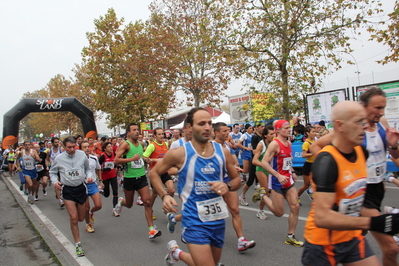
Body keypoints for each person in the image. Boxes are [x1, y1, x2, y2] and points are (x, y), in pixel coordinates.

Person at [301, 100, 399, 266]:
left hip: (352, 237)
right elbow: (322, 218)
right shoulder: (327, 162)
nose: (364, 127)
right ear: (340, 125)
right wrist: (374, 222)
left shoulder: (361, 152)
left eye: (365, 122)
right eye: (358, 122)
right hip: (323, 243)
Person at [149, 107, 241, 266]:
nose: (207, 127)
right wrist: (164, 195)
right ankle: (176, 252)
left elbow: (237, 180)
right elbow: (154, 173)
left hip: (217, 219)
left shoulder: (222, 152)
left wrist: (227, 186)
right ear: (189, 127)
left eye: (209, 123)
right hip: (193, 220)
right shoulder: (179, 153)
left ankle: (176, 253)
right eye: (201, 123)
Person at [252, 120, 304, 247]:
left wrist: (291, 172)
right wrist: (278, 175)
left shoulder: (289, 142)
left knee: (295, 207)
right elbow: (264, 162)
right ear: (278, 130)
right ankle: (263, 195)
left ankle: (290, 236)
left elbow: (287, 161)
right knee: (279, 213)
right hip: (276, 182)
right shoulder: (274, 144)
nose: (289, 129)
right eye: (286, 128)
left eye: (289, 127)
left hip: (288, 180)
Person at [213, 122, 256, 252]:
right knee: (211, 213)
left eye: (228, 130)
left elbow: (230, 159)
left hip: (227, 179)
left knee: (235, 210)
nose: (228, 133)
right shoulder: (210, 146)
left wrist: (235, 166)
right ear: (217, 133)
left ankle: (241, 241)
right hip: (214, 182)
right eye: (225, 131)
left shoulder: (226, 144)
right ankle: (188, 226)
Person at [114, 123, 161, 239]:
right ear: (128, 133)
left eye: (137, 130)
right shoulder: (125, 144)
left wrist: (146, 159)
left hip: (141, 177)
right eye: (133, 130)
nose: (136, 132)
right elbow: (116, 160)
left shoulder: (141, 144)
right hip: (129, 178)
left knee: (147, 202)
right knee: (129, 204)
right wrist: (131, 159)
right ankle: (121, 202)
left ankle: (151, 230)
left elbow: (140, 158)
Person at [49, 136, 92, 257]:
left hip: (80, 188)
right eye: (69, 147)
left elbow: (88, 169)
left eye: (74, 147)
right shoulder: (59, 158)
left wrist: (89, 177)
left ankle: (81, 218)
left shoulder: (82, 155)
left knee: (81, 218)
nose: (72, 150)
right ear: (64, 147)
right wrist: (55, 182)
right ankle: (78, 244)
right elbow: (52, 172)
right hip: (68, 190)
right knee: (73, 218)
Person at [143, 127, 175, 220]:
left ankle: (166, 207)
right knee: (154, 194)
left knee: (172, 190)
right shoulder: (152, 146)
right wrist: (149, 160)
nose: (161, 136)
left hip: (165, 171)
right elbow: (144, 156)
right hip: (155, 174)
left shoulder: (165, 144)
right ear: (155, 136)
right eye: (159, 134)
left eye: (162, 134)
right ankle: (150, 209)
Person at [251, 125, 275, 220]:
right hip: (261, 169)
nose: (273, 135)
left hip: (270, 170)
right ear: (265, 135)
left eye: (274, 133)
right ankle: (260, 211)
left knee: (271, 192)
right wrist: (265, 165)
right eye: (271, 134)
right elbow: (254, 161)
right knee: (267, 193)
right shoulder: (261, 144)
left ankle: (259, 194)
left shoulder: (273, 143)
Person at [80, 141, 102, 233]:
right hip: (82, 185)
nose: (87, 148)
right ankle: (88, 224)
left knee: (98, 205)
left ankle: (90, 213)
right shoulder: (78, 160)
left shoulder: (94, 158)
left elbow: (98, 169)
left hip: (92, 184)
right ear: (81, 149)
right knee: (86, 207)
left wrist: (101, 181)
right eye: (84, 147)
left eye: (88, 146)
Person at [98, 142, 120, 216]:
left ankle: (115, 209)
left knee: (115, 192)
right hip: (105, 177)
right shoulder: (103, 156)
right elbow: (97, 167)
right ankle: (102, 191)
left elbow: (116, 163)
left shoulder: (114, 155)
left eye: (111, 146)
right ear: (105, 149)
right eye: (108, 147)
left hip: (113, 175)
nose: (111, 148)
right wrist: (103, 169)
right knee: (107, 194)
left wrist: (117, 166)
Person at [297, 126, 316, 206]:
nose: (315, 134)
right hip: (308, 165)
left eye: (315, 132)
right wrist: (313, 153)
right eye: (313, 132)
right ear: (308, 133)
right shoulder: (306, 143)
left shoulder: (314, 142)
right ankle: (296, 196)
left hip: (314, 164)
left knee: (315, 182)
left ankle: (312, 192)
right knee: (306, 185)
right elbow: (303, 155)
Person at [237, 124, 253, 206]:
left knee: (250, 168)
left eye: (251, 128)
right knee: (246, 169)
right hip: (246, 153)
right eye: (250, 128)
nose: (251, 129)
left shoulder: (252, 135)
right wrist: (245, 148)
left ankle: (245, 176)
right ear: (246, 129)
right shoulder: (244, 135)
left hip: (251, 153)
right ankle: (240, 174)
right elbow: (238, 144)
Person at [47, 137, 65, 207]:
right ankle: (60, 200)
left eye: (58, 142)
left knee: (61, 183)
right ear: (52, 143)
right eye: (55, 142)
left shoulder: (61, 150)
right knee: (57, 184)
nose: (57, 143)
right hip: (53, 169)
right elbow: (47, 159)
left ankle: (58, 194)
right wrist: (47, 165)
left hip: (60, 168)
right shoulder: (49, 151)